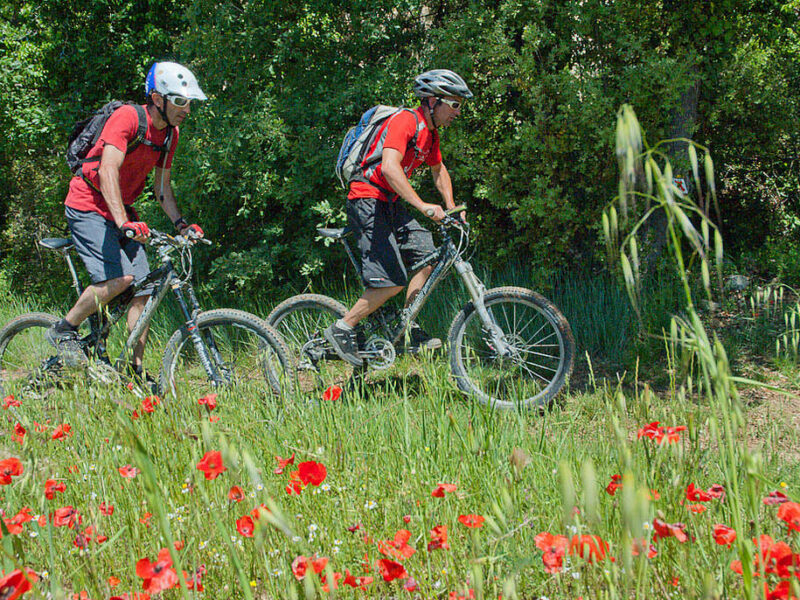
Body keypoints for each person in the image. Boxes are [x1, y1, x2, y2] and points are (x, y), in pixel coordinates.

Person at [46, 61, 207, 384]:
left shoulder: (169, 135)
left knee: (144, 289)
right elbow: (107, 171)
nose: (186, 109)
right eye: (179, 101)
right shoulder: (128, 118)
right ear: (157, 98)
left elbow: (162, 189)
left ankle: (134, 369)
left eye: (189, 102)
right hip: (88, 203)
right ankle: (64, 330)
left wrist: (181, 225)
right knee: (119, 278)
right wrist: (123, 222)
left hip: (121, 211)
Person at [324, 69, 473, 367]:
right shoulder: (405, 121)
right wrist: (423, 205)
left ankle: (408, 325)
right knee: (391, 281)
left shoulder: (431, 135)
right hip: (367, 198)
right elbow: (390, 168)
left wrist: (452, 207)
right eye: (455, 104)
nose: (458, 111)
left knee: (428, 256)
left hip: (389, 201)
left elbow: (438, 170)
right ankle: (342, 327)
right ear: (433, 101)